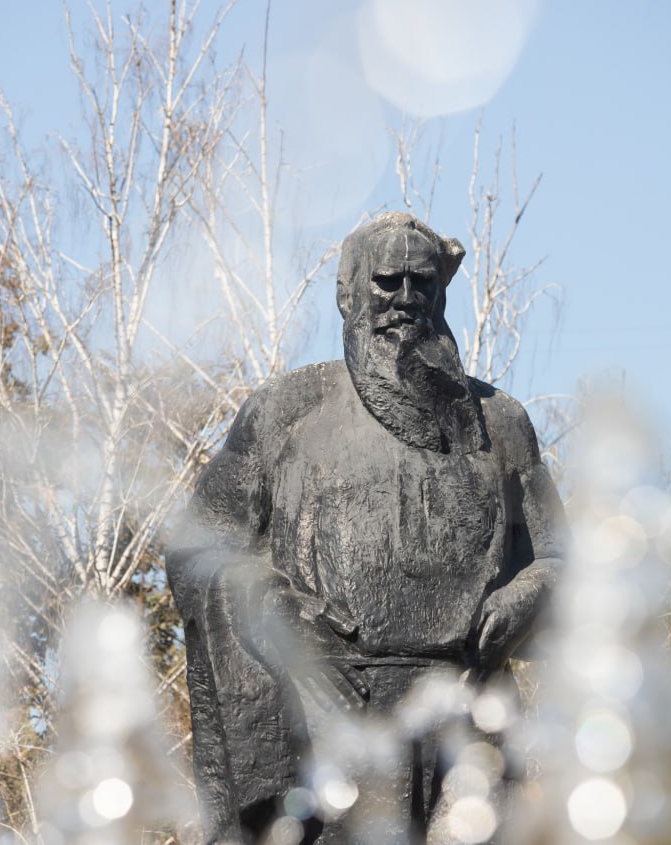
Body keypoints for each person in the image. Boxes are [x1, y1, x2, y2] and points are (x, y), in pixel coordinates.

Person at [168, 212, 568, 843]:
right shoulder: (282, 413)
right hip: (329, 717)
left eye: (423, 282)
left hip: (469, 719)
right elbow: (198, 546)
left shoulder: (505, 425)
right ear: (348, 292)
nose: (406, 299)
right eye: (388, 282)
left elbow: (561, 563)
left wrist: (529, 595)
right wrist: (276, 613)